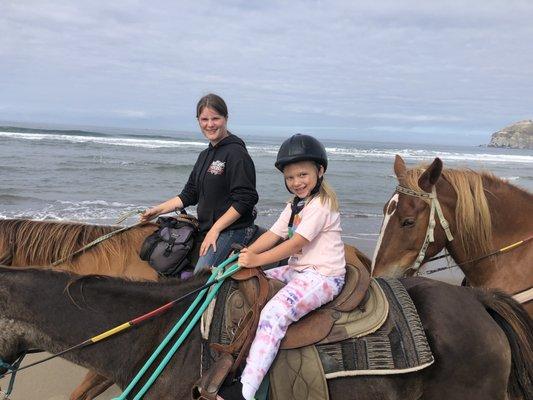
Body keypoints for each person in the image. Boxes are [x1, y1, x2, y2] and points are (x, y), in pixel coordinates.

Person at [237, 133, 346, 400]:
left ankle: (246, 390)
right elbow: (273, 235)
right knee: (252, 280)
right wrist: (248, 253)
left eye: (302, 175)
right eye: (290, 177)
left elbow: (294, 244)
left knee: (274, 313)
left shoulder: (321, 205)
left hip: (323, 276)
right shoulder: (295, 204)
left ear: (319, 171)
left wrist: (256, 260)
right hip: (298, 270)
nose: (296, 182)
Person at [141, 94, 258, 274]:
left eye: (215, 118)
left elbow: (245, 199)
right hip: (208, 227)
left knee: (198, 281)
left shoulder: (236, 154)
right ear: (198, 121)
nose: (210, 124)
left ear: (226, 118)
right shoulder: (205, 155)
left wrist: (216, 230)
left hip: (234, 229)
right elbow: (190, 194)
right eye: (204, 119)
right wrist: (157, 210)